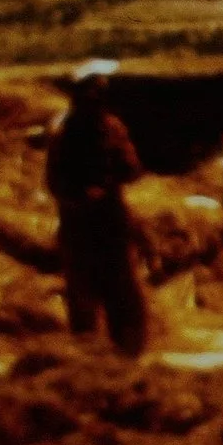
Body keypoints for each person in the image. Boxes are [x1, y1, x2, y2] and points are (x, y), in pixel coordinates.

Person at [44, 60, 148, 357]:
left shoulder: (112, 129)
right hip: (79, 224)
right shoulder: (62, 131)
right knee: (82, 294)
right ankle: (87, 358)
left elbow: (132, 168)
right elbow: (54, 181)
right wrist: (80, 196)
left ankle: (127, 354)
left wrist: (110, 183)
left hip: (111, 222)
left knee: (121, 291)